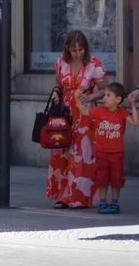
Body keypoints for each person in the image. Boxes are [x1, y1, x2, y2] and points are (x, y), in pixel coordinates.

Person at [47, 30, 108, 209]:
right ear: (67, 49)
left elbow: (105, 89)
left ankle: (81, 197)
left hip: (85, 113)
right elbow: (58, 83)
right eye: (74, 50)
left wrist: (91, 97)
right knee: (62, 150)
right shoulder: (61, 62)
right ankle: (64, 196)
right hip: (65, 112)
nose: (78, 53)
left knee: (82, 154)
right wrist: (57, 94)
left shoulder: (94, 65)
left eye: (81, 49)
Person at [75, 82, 139, 214]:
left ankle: (114, 202)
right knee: (102, 178)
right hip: (101, 153)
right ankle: (103, 202)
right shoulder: (99, 111)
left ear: (118, 100)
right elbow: (85, 111)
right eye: (104, 95)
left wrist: (133, 107)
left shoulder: (122, 113)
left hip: (117, 154)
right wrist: (77, 98)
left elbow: (135, 122)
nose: (104, 98)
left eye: (108, 95)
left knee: (116, 179)